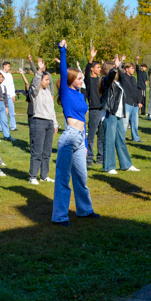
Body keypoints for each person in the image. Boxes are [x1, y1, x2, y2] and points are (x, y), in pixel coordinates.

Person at [52, 40, 98, 225]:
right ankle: (60, 216)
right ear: (70, 80)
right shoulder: (65, 92)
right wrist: (63, 51)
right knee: (63, 177)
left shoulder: (80, 95)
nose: (81, 80)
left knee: (81, 177)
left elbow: (84, 121)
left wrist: (86, 144)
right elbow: (63, 71)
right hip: (69, 137)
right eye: (79, 78)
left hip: (80, 139)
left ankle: (85, 210)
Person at [100, 56, 138, 175]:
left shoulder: (118, 82)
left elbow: (122, 75)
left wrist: (120, 64)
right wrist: (116, 67)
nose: (116, 72)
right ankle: (109, 166)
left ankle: (126, 164)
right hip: (110, 113)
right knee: (110, 140)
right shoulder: (105, 81)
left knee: (120, 139)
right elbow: (110, 76)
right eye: (113, 69)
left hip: (119, 114)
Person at [28, 57, 58, 184]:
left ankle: (44, 175)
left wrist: (55, 124)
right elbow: (35, 83)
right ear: (40, 80)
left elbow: (52, 110)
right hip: (38, 122)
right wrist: (39, 70)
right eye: (46, 80)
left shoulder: (46, 92)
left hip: (49, 123)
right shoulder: (35, 91)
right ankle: (33, 177)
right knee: (37, 151)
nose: (48, 82)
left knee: (47, 151)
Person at [0, 57, 17, 133]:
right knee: (1, 113)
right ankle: (0, 128)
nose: (9, 67)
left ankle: (13, 126)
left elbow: (12, 85)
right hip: (2, 96)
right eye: (8, 66)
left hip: (9, 95)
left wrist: (13, 95)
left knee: (11, 111)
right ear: (4, 66)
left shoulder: (10, 75)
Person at [119, 61, 142, 142]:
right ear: (127, 69)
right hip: (127, 103)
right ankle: (121, 138)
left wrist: (139, 101)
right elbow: (118, 71)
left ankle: (136, 138)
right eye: (131, 68)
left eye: (133, 68)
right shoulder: (124, 77)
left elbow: (136, 91)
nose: (133, 70)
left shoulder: (133, 78)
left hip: (135, 104)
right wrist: (120, 62)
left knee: (135, 123)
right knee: (125, 123)